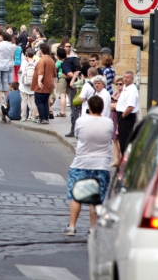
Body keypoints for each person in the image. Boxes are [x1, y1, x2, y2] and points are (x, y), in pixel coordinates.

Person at [63, 95, 113, 237]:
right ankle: (92, 229)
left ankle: (72, 226)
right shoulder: (109, 122)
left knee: (76, 196)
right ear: (102, 108)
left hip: (81, 163)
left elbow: (78, 137)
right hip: (102, 164)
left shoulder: (81, 121)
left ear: (89, 107)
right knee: (96, 199)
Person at [115, 70, 139, 154]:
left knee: (125, 141)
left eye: (128, 77)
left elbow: (130, 107)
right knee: (122, 140)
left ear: (132, 79)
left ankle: (126, 160)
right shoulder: (126, 88)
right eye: (124, 77)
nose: (125, 79)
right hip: (122, 116)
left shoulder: (132, 90)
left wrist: (122, 117)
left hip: (126, 117)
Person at [31, 43, 56, 124]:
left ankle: (42, 118)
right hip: (49, 84)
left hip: (42, 84)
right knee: (45, 101)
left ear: (41, 50)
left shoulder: (42, 60)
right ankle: (46, 118)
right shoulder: (51, 60)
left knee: (39, 101)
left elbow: (41, 72)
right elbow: (54, 73)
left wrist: (39, 81)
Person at [19, 49, 38, 122]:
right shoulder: (36, 62)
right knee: (33, 101)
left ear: (26, 54)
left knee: (24, 101)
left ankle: (23, 117)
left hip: (24, 84)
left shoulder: (24, 62)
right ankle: (33, 117)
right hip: (33, 84)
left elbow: (21, 71)